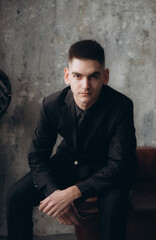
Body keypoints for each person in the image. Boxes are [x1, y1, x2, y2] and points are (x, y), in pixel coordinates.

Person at [7, 40, 137, 240]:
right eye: (78, 76)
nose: (85, 86)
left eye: (94, 76)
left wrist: (74, 192)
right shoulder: (51, 104)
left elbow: (119, 165)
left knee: (114, 204)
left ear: (105, 76)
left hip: (107, 169)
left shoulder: (122, 106)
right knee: (15, 195)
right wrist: (54, 194)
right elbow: (37, 156)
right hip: (69, 161)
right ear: (67, 76)